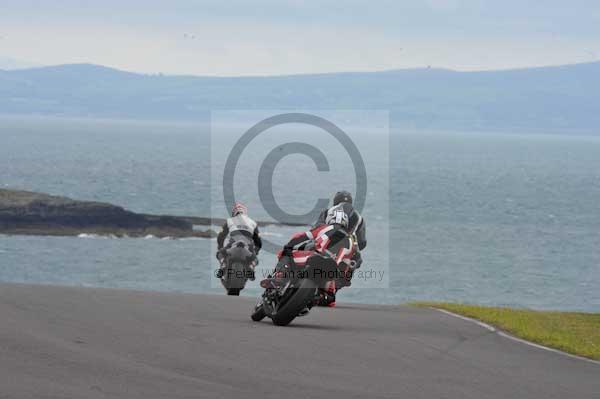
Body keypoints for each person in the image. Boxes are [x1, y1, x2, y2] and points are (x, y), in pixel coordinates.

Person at [314, 191, 366, 290]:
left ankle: (283, 274)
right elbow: (362, 242)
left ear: (335, 202)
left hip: (325, 241)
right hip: (346, 247)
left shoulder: (327, 212)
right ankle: (338, 284)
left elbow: (317, 227)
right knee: (356, 260)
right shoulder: (359, 218)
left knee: (304, 247)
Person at [216, 202, 262, 278]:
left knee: (220, 254)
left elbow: (221, 236)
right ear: (245, 212)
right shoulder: (253, 222)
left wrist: (220, 247)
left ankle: (223, 265)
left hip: (233, 244)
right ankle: (251, 266)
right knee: (255, 259)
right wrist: (255, 252)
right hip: (248, 246)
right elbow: (259, 242)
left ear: (234, 213)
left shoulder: (229, 220)